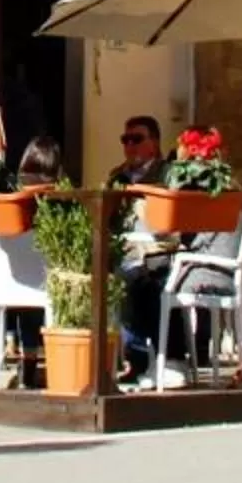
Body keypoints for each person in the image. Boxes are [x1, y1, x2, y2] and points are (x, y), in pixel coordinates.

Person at [108, 116, 171, 380]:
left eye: (137, 139)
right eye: (126, 139)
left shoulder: (168, 174)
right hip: (123, 250)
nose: (130, 145)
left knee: (133, 279)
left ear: (154, 143)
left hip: (158, 250)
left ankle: (136, 357)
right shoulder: (117, 176)